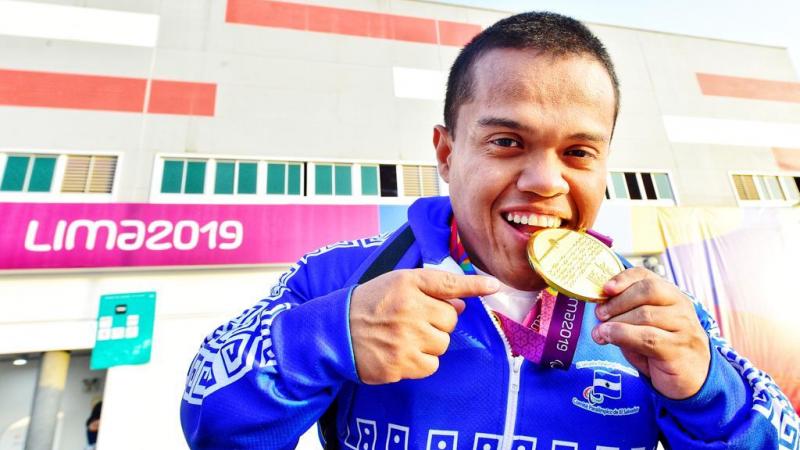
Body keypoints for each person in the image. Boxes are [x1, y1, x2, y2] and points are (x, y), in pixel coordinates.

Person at [180, 11, 799, 450]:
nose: (544, 181)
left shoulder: (663, 318)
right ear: (446, 153)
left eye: (579, 153)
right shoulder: (343, 276)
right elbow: (208, 420)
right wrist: (327, 337)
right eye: (507, 141)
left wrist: (705, 391)